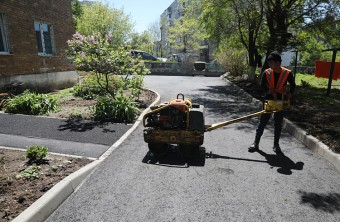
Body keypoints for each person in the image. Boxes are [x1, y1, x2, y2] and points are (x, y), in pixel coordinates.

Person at [248, 51, 296, 154]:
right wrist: (267, 91)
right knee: (262, 123)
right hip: (269, 100)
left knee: (278, 124)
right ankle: (255, 143)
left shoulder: (287, 73)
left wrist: (290, 93)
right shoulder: (267, 72)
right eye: (269, 63)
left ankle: (276, 145)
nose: (269, 64)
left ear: (278, 62)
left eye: (271, 62)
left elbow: (293, 85)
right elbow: (262, 86)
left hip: (280, 101)